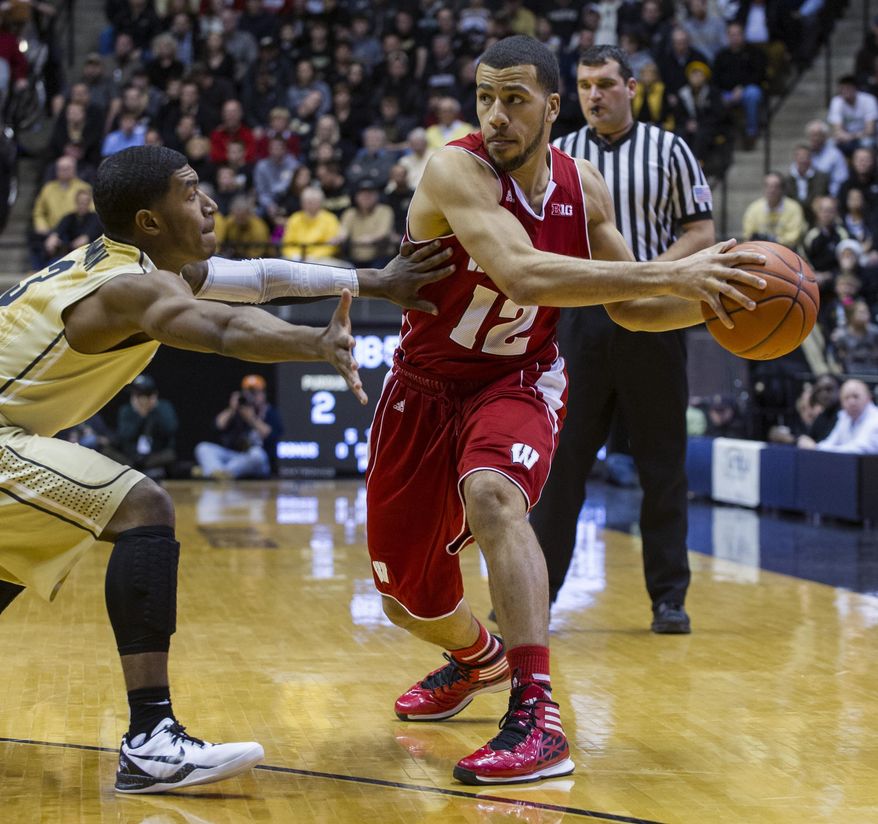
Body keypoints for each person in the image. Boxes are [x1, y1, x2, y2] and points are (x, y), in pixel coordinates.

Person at [364, 35, 764, 786]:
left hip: (518, 379)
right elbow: (519, 270)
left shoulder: (587, 188)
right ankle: (475, 657)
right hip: (423, 388)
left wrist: (716, 301)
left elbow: (635, 310)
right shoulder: (454, 167)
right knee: (403, 598)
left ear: (550, 107)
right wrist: (681, 269)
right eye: (485, 97)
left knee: (492, 494)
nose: (495, 117)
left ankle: (535, 715)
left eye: (513, 100)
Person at [0, 144, 456, 794]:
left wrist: (373, 281)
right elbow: (219, 330)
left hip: (10, 434)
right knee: (142, 507)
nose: (209, 202)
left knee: (12, 557)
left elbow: (262, 278)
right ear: (150, 221)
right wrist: (313, 342)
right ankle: (151, 740)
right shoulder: (131, 288)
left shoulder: (144, 266)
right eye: (189, 192)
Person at [530, 44, 715, 636]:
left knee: (664, 465)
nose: (594, 95)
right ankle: (538, 595)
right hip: (580, 322)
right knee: (562, 467)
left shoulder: (671, 150)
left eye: (606, 84)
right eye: (585, 85)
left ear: (631, 87)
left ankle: (669, 599)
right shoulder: (559, 156)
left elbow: (702, 230)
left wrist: (649, 276)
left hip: (656, 317)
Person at [194, 374, 282, 479]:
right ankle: (218, 473)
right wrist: (232, 409)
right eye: (248, 392)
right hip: (233, 457)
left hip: (255, 462)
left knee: (257, 455)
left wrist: (251, 419)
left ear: (263, 394)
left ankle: (214, 472)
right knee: (203, 448)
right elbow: (218, 425)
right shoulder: (236, 411)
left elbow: (271, 434)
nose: (252, 396)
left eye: (256, 393)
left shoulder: (269, 412)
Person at [102, 374, 179, 480]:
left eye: (141, 395)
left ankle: (138, 471)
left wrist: (152, 411)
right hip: (130, 457)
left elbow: (170, 429)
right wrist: (140, 416)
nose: (137, 399)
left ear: (152, 395)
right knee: (107, 451)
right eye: (135, 395)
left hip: (153, 455)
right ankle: (139, 471)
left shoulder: (163, 407)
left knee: (170, 455)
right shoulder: (126, 410)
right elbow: (124, 436)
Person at [798, 379, 878, 453]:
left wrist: (816, 448)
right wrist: (816, 447)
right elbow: (831, 442)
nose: (851, 402)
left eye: (856, 396)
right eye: (846, 398)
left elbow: (859, 449)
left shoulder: (875, 419)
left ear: (868, 398)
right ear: (841, 402)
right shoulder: (844, 416)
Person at [741, 172, 808, 249]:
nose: (772, 190)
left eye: (776, 186)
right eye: (768, 186)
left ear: (782, 189)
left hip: (787, 251)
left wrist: (773, 240)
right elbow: (748, 236)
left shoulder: (794, 208)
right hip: (760, 250)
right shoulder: (753, 208)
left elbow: (794, 238)